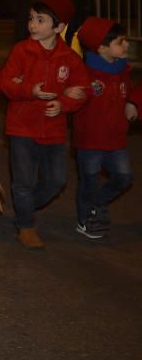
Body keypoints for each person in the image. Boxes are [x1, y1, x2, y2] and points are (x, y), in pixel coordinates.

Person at [0, 0, 89, 249]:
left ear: (59, 27)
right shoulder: (21, 50)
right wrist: (30, 90)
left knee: (57, 180)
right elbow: (6, 83)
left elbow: (82, 90)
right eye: (31, 19)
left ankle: (23, 206)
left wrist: (64, 103)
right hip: (22, 127)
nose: (32, 25)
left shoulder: (70, 59)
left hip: (54, 130)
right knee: (24, 181)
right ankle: (26, 225)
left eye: (40, 20)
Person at [71, 17, 142, 239]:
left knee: (124, 177)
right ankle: (85, 218)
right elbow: (72, 99)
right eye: (120, 41)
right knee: (89, 180)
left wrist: (133, 104)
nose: (126, 45)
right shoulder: (84, 73)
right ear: (101, 48)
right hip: (90, 140)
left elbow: (129, 96)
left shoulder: (123, 72)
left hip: (115, 140)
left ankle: (96, 204)